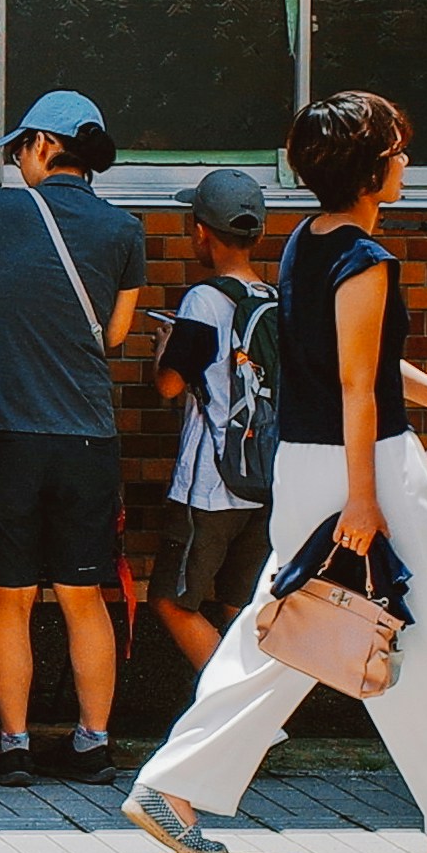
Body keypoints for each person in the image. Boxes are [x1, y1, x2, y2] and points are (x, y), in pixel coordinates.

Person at [124, 91, 427, 853]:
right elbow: (357, 384)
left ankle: (171, 787)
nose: (407, 160)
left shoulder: (308, 246)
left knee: (294, 631)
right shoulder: (364, 260)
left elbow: (363, 366)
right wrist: (363, 499)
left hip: (314, 465)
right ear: (372, 166)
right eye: (399, 148)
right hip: (365, 465)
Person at [0, 87, 147, 785]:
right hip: (87, 437)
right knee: (81, 594)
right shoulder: (125, 229)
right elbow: (117, 335)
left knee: (8, 595)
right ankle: (92, 743)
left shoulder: (0, 211)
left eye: (17, 148)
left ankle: (12, 745)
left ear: (39, 146)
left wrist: (6, 304)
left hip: (9, 433)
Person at [144, 168, 276, 684]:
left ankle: (235, 705)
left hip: (209, 486)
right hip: (263, 479)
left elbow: (171, 386)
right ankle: (257, 705)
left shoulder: (203, 301)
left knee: (172, 600)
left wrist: (162, 347)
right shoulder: (272, 298)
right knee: (238, 606)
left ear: (199, 231)